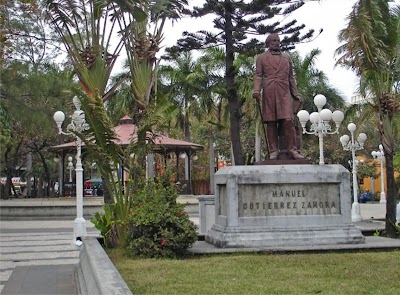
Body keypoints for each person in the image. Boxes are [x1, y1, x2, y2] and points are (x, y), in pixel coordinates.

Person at [253, 33, 303, 160]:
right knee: (271, 122)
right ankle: (273, 151)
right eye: (273, 40)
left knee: (288, 121)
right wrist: (257, 90)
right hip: (269, 91)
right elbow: (258, 75)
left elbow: (291, 77)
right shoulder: (261, 58)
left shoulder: (287, 58)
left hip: (284, 92)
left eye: (278, 40)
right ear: (268, 43)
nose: (276, 42)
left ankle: (292, 149)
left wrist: (295, 94)